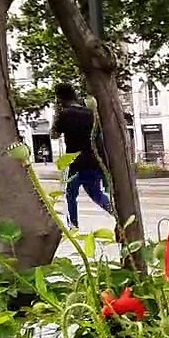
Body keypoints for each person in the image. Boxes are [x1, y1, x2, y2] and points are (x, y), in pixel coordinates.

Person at [51, 83, 112, 229]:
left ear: (59, 98)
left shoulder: (64, 114)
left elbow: (54, 135)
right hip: (93, 161)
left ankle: (73, 226)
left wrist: (56, 114)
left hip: (74, 162)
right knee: (96, 194)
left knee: (70, 195)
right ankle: (116, 213)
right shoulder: (90, 114)